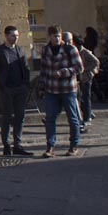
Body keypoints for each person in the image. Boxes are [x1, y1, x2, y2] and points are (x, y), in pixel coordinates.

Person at [38, 25, 83, 158]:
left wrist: (64, 72)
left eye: (59, 36)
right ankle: (50, 146)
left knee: (73, 118)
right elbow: (43, 70)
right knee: (50, 118)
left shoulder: (70, 49)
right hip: (51, 89)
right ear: (49, 37)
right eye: (54, 36)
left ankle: (74, 145)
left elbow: (79, 67)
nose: (57, 38)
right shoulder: (45, 50)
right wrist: (41, 87)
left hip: (67, 89)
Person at [0, 25, 32, 156]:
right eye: (13, 35)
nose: (16, 38)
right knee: (7, 117)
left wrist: (26, 84)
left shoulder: (20, 50)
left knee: (20, 117)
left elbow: (26, 67)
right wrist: (1, 87)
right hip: (6, 89)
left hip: (20, 88)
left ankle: (17, 144)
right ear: (6, 36)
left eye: (17, 36)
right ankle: (6, 145)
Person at [75, 35, 100, 129]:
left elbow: (96, 62)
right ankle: (87, 114)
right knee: (80, 98)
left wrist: (85, 69)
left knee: (86, 97)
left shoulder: (85, 52)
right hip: (80, 78)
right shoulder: (77, 52)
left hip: (86, 78)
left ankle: (87, 117)